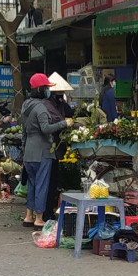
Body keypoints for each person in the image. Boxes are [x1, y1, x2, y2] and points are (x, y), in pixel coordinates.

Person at [21, 74, 73, 229]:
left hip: (29, 151)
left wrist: (24, 150)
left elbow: (24, 131)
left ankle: (28, 216)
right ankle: (39, 218)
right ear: (40, 89)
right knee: (42, 184)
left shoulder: (25, 106)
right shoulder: (41, 107)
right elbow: (46, 129)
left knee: (32, 185)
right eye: (47, 88)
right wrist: (65, 123)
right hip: (43, 151)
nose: (49, 90)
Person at [43, 72, 75, 221]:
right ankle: (46, 211)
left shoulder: (61, 104)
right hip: (50, 146)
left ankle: (48, 210)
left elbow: (71, 112)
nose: (61, 94)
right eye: (59, 92)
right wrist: (64, 123)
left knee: (53, 180)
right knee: (48, 181)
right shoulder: (47, 105)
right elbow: (55, 122)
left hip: (57, 148)